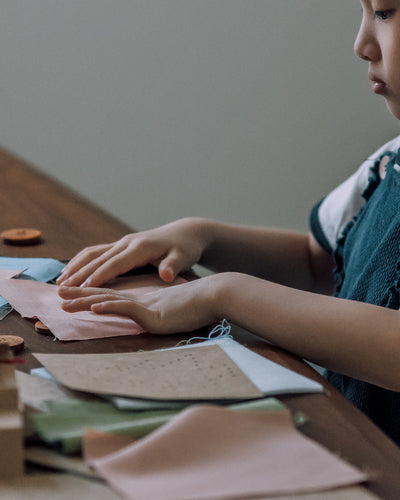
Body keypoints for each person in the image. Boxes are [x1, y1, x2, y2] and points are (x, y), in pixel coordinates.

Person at [57, 1, 400, 445]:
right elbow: (319, 263)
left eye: (387, 12)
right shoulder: (388, 164)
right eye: (364, 11)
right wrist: (205, 236)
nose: (360, 44)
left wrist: (225, 294)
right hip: (353, 448)